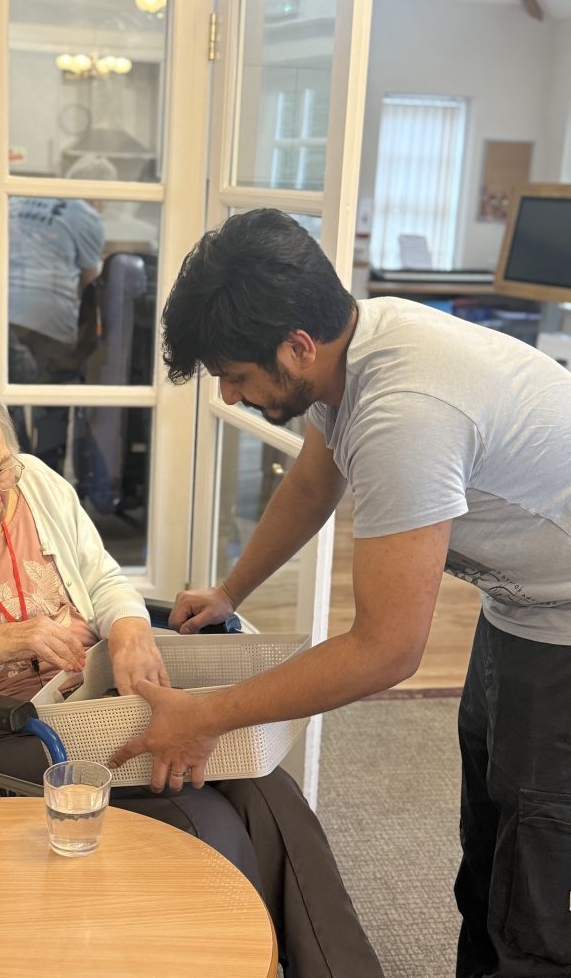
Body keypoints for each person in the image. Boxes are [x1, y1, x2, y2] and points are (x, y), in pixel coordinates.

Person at [110, 208, 571, 978]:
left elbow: (386, 650)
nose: (228, 395)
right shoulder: (356, 344)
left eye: (235, 374)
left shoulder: (407, 410)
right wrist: (230, 589)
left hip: (563, 629)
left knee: (542, 889)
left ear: (298, 346)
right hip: (522, 606)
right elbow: (315, 481)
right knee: (492, 851)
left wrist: (206, 718)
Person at [0, 376, 383, 978]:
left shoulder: (37, 485)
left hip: (93, 704)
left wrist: (131, 626)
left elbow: (106, 580)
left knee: (268, 787)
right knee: (200, 813)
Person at [0, 154, 116, 471]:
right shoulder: (87, 216)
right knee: (50, 401)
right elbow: (90, 281)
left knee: (0, 402)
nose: (103, 208)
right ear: (98, 192)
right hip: (48, 320)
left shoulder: (16, 201)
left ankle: (7, 472)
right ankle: (45, 478)